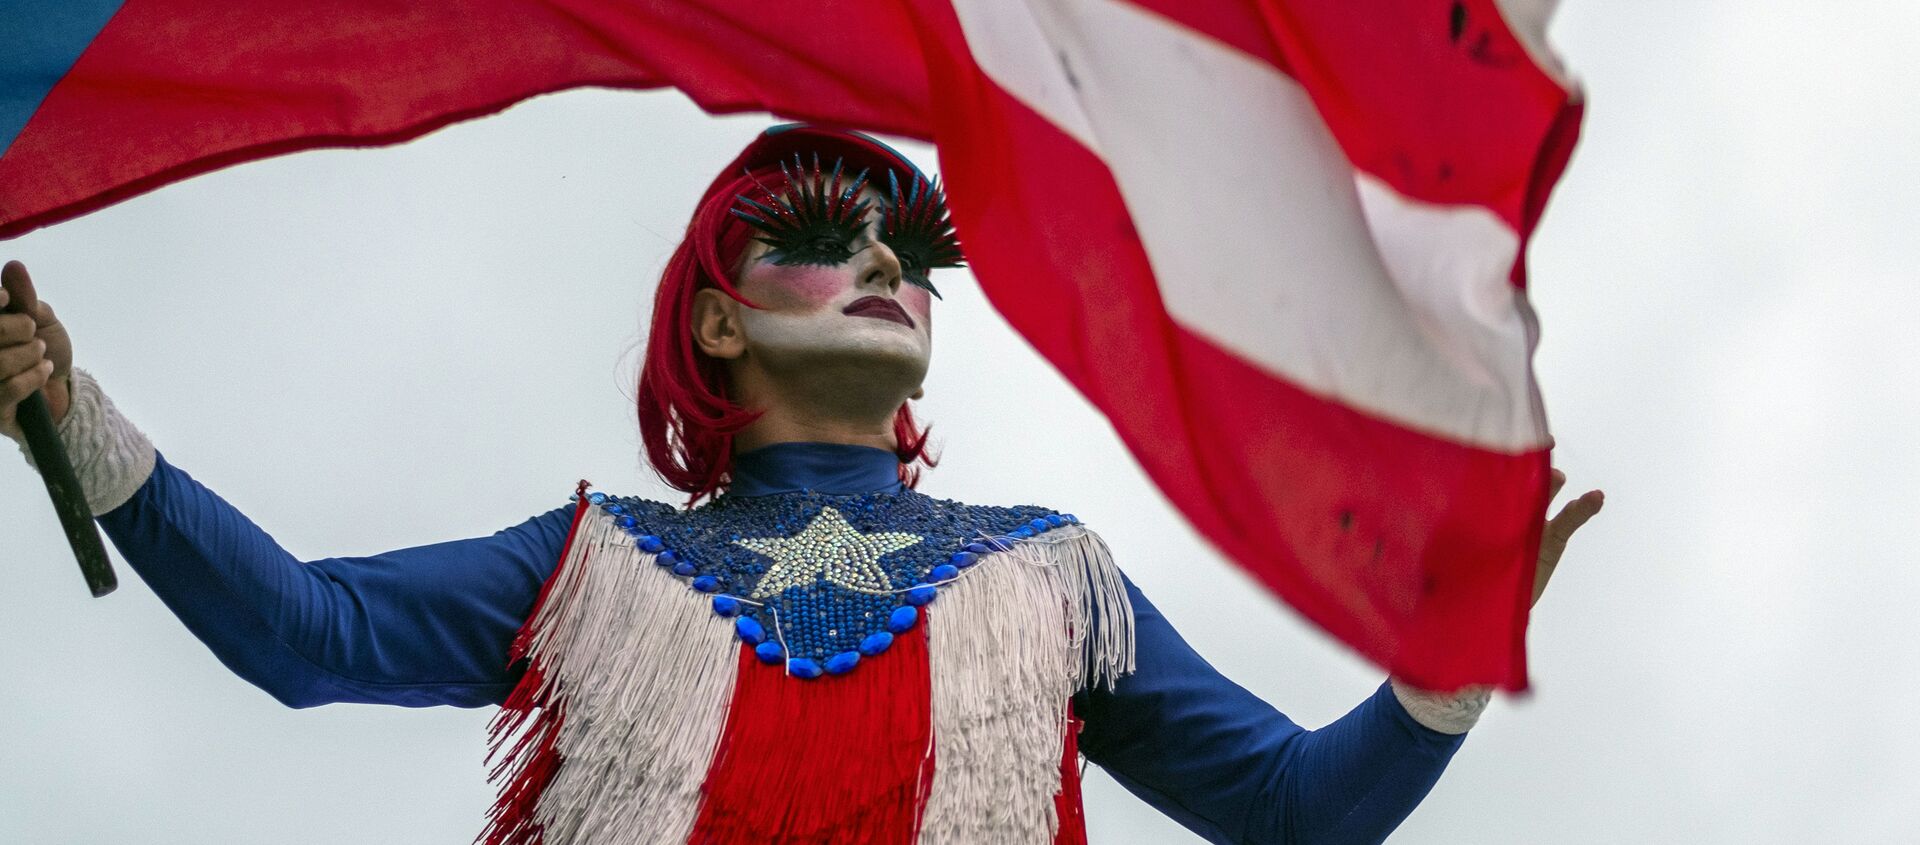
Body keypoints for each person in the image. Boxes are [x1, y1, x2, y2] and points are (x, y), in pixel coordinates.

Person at [0, 125, 1603, 845]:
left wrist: (1447, 667)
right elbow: (304, 629)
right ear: (715, 310)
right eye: (821, 236)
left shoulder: (1049, 572)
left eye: (905, 251)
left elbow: (1290, 810)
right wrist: (74, 410)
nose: (878, 265)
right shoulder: (587, 566)